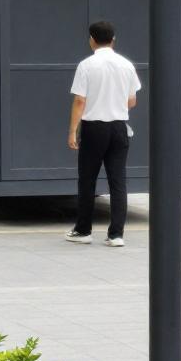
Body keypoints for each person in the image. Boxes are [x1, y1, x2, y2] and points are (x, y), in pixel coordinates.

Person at [65, 20, 141, 247]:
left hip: (93, 127)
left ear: (92, 39)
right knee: (118, 181)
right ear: (113, 39)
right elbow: (132, 100)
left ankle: (83, 230)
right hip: (119, 128)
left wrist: (72, 131)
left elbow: (80, 101)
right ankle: (116, 234)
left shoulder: (86, 65)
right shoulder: (126, 65)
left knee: (87, 179)